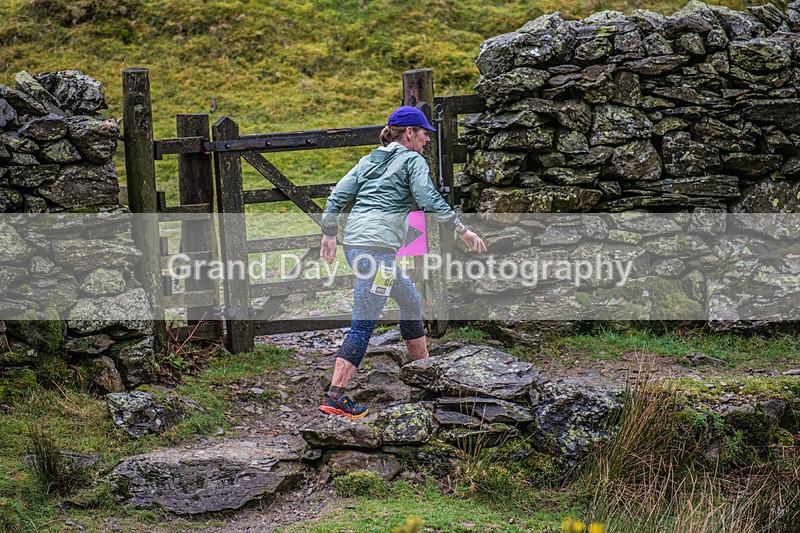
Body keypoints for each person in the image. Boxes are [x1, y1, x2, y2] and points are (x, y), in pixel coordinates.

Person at [317, 105, 487, 419]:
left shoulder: (369, 160)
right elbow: (428, 198)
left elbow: (337, 195)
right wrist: (461, 228)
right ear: (409, 133)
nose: (426, 141)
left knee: (409, 299)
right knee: (364, 322)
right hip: (377, 253)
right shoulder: (412, 160)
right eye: (424, 135)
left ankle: (424, 374)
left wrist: (330, 234)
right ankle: (335, 396)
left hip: (357, 248)